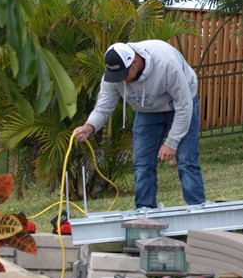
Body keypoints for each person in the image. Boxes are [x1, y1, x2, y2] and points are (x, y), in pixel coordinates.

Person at [72, 40, 206, 209]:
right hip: (147, 111)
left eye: (124, 74)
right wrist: (89, 127)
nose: (123, 80)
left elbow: (184, 106)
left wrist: (171, 143)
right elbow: (104, 105)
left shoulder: (166, 64)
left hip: (180, 104)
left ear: (135, 61)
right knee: (142, 163)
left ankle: (198, 209)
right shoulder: (113, 75)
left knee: (186, 160)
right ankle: (145, 212)